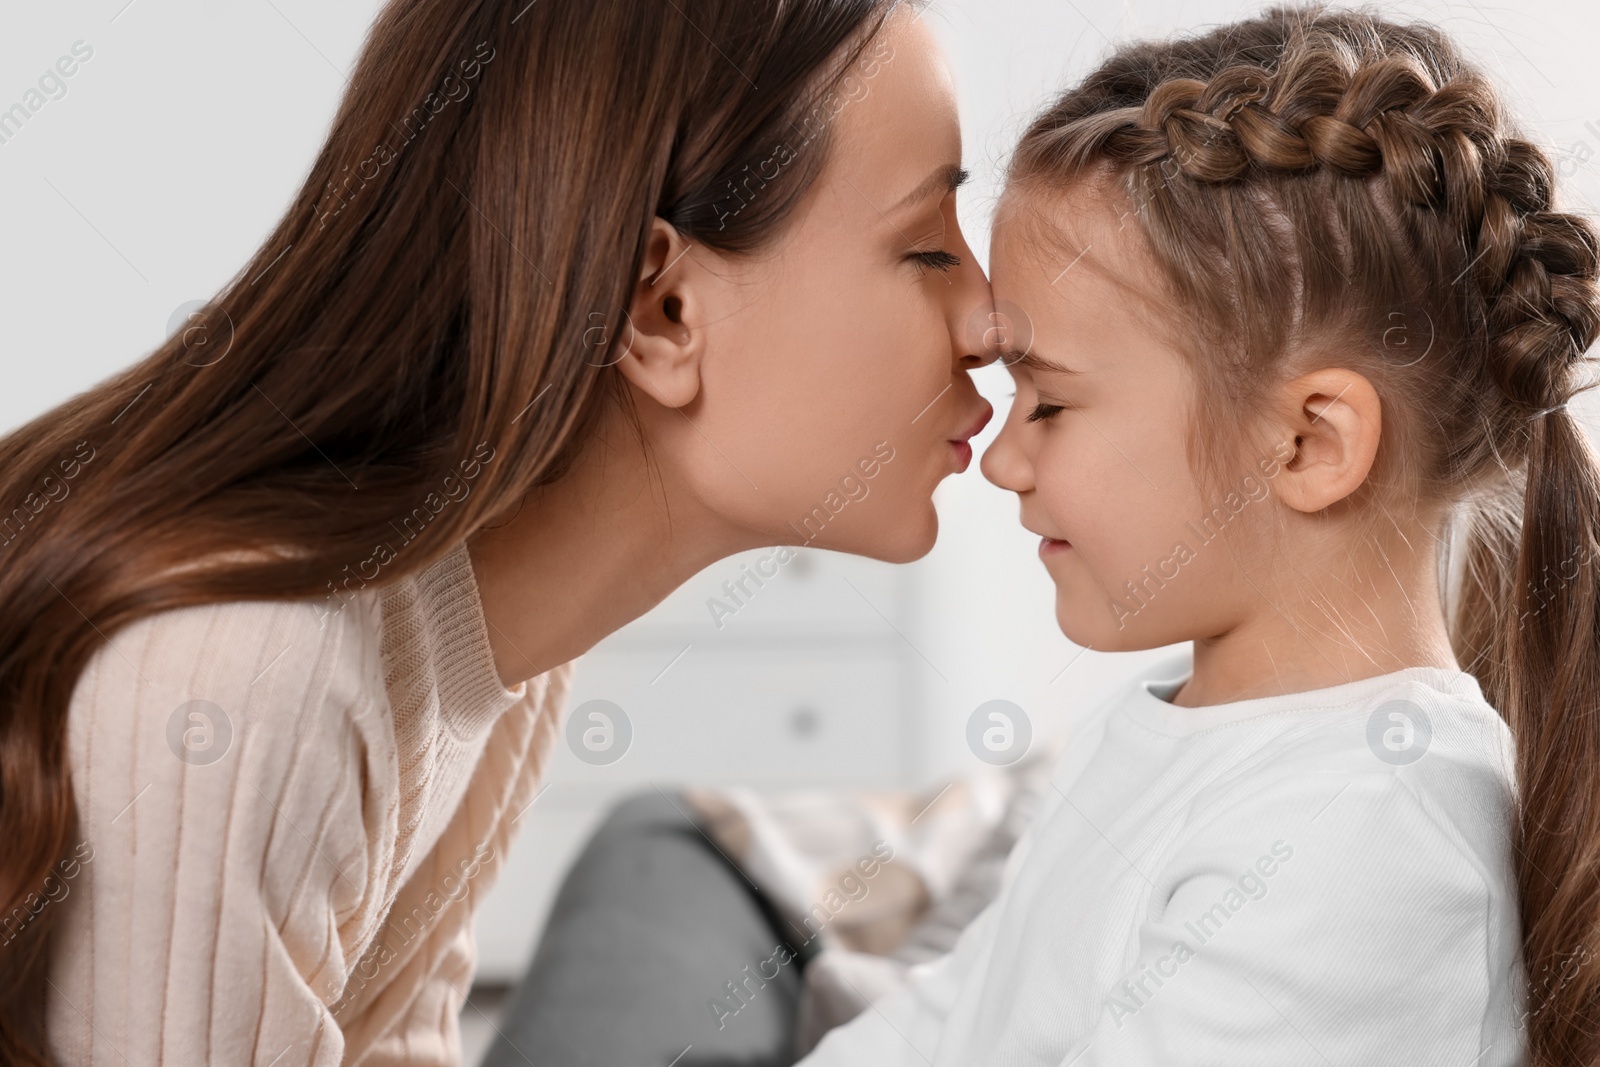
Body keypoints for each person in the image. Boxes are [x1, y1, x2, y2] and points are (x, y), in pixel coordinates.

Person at [0, 0, 993, 1062]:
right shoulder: (249, 672)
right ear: (660, 310)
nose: (991, 321)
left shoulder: (488, 639)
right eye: (928, 249)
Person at [799, 2, 1600, 1064]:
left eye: (1049, 402)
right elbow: (955, 1014)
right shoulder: (1174, 726)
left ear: (1308, 443)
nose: (1001, 457)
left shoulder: (1365, 837)